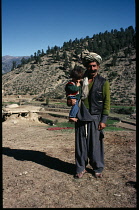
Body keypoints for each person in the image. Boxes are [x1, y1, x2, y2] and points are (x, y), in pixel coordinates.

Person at [69, 50, 110, 179]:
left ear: (98, 66)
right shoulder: (79, 81)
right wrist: (69, 101)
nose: (92, 68)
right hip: (81, 116)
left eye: (94, 66)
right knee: (80, 145)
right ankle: (81, 168)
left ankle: (97, 168)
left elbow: (107, 102)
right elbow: (71, 96)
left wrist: (103, 120)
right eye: (90, 66)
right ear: (86, 66)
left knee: (95, 145)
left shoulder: (103, 82)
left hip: (95, 117)